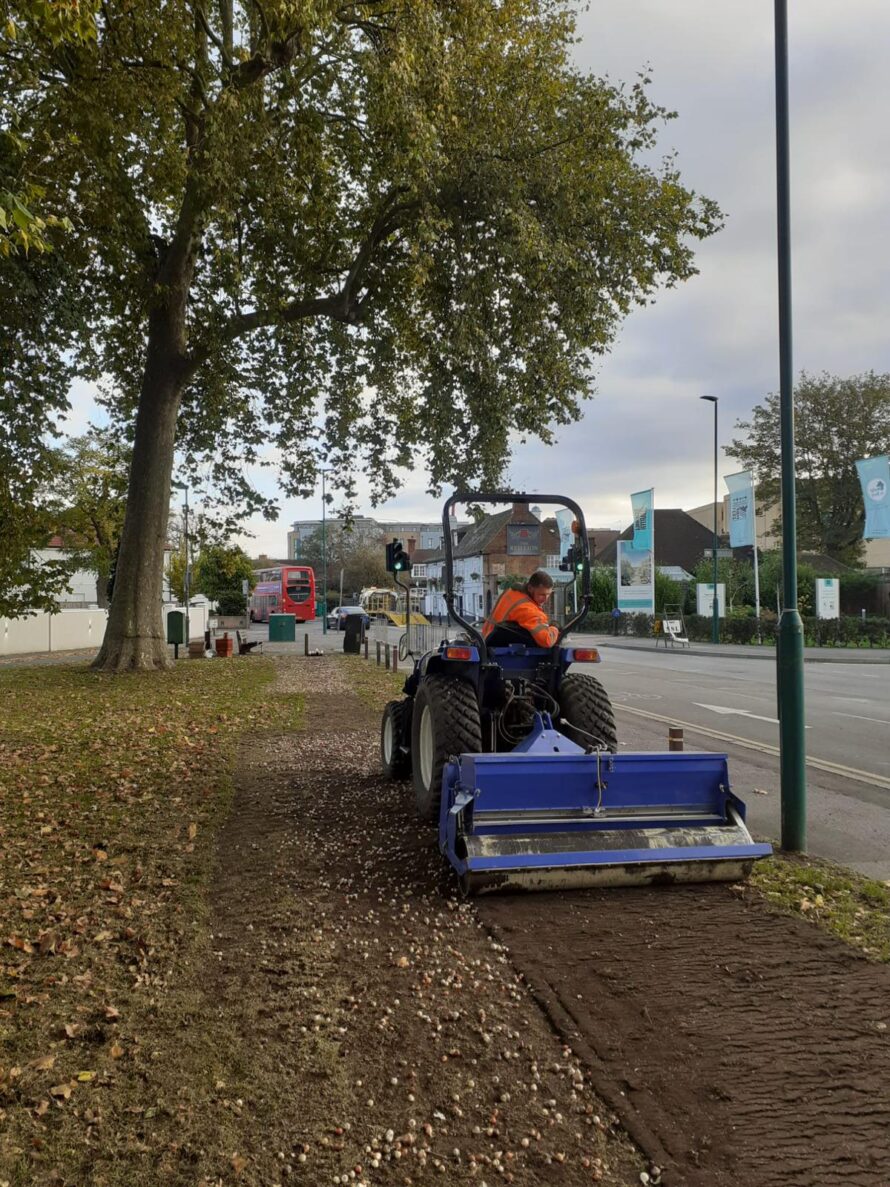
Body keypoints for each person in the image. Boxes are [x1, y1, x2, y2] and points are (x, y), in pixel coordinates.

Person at [482, 570, 559, 647]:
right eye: (542, 595)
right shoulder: (527, 608)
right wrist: (555, 627)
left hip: (487, 640)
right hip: (501, 649)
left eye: (548, 594)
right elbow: (547, 640)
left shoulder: (511, 592)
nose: (545, 599)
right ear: (530, 588)